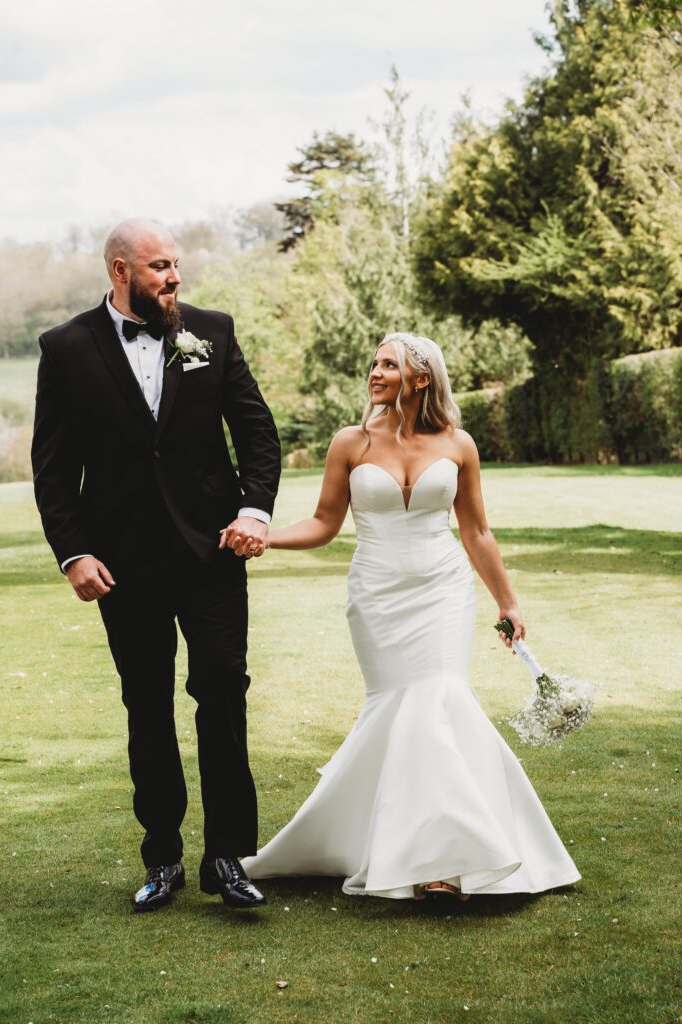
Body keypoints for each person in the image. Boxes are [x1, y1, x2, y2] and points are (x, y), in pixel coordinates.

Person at [241, 333, 580, 899]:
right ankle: (381, 841)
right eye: (373, 362)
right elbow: (324, 524)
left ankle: (444, 862)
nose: (375, 372)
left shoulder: (459, 444)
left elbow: (475, 531)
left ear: (421, 378)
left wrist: (508, 601)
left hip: (443, 588)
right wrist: (265, 537)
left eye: (389, 364)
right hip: (376, 593)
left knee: (440, 698)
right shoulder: (350, 442)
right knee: (399, 709)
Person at [31, 218, 281, 912]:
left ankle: (227, 856)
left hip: (212, 553)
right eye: (159, 267)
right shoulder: (66, 348)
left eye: (176, 265)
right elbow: (52, 469)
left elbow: (257, 434)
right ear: (120, 271)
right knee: (147, 705)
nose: (174, 278)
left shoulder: (212, 330)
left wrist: (254, 512)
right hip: (123, 564)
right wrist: (74, 552)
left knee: (223, 692)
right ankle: (163, 858)